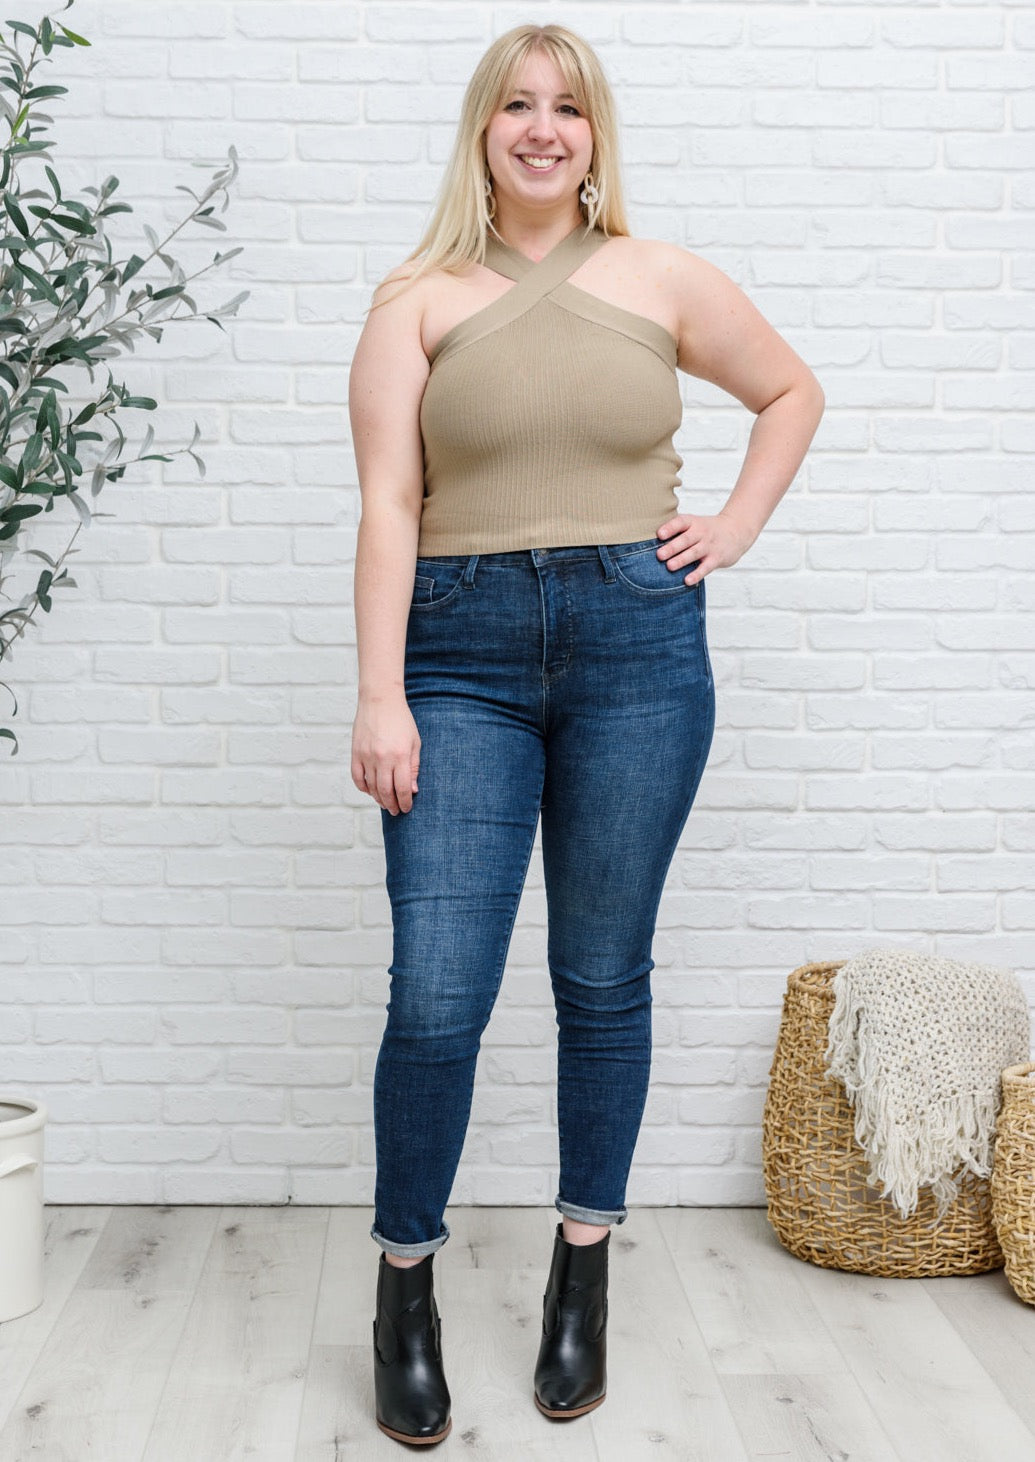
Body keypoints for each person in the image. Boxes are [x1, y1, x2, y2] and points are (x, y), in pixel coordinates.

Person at [348, 22, 824, 1447]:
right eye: (516, 106)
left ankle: (583, 1275)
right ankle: (405, 1292)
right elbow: (388, 504)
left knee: (602, 978)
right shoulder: (415, 301)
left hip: (637, 648)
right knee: (438, 994)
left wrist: (733, 525)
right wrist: (380, 692)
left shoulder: (660, 277)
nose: (542, 128)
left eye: (567, 107)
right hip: (459, 657)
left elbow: (791, 390)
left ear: (596, 134)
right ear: (482, 132)